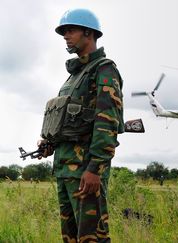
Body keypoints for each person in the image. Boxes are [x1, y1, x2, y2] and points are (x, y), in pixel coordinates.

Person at [38, 8, 124, 242]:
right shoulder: (74, 76)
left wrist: (94, 168)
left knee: (92, 238)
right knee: (71, 238)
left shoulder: (104, 69)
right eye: (64, 31)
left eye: (70, 30)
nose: (66, 36)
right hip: (65, 169)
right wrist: (49, 143)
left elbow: (107, 123)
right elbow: (70, 122)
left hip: (86, 171)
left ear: (89, 33)